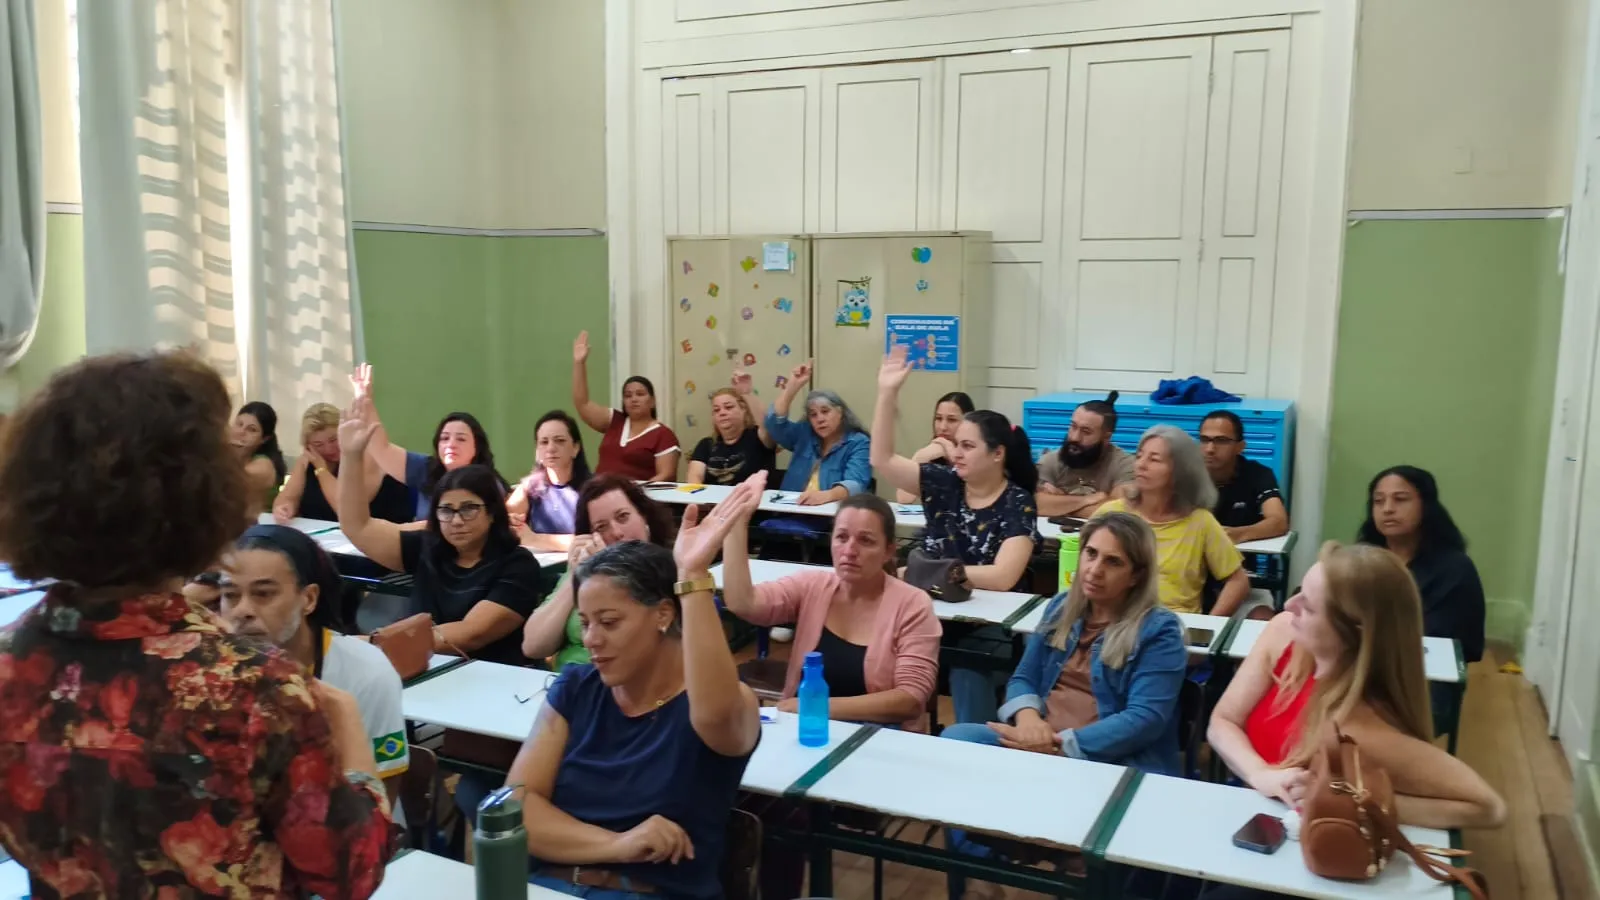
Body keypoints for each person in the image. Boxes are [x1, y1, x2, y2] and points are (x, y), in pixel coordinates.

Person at [0, 351, 392, 898]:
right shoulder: (253, 688)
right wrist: (350, 735)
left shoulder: (11, 665)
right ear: (201, 497)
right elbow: (351, 871)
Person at [505, 480, 763, 899]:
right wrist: (619, 845)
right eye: (585, 623)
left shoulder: (710, 705)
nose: (591, 639)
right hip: (549, 886)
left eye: (609, 622)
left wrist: (692, 576)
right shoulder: (577, 688)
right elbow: (515, 806)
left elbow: (716, 713)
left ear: (663, 614)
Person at [1206, 542, 1504, 831]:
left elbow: (1488, 808)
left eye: (1308, 607)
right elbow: (1223, 721)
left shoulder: (1364, 727)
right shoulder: (1284, 631)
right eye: (1299, 593)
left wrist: (1360, 801)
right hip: (1251, 818)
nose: (1288, 605)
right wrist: (1261, 774)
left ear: (1352, 632)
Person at [871, 345, 1041, 725]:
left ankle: (973, 746)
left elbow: (1002, 576)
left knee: (967, 669)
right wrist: (886, 394)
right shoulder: (943, 482)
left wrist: (924, 573)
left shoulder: (1017, 502)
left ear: (997, 454)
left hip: (985, 628)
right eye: (956, 445)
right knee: (880, 653)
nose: (956, 453)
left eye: (967, 446)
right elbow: (881, 459)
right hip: (926, 611)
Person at [942, 513, 1187, 774]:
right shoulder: (1061, 606)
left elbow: (1144, 719)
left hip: (1107, 756)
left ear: (1136, 576)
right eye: (1091, 553)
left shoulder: (1160, 630)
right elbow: (1024, 677)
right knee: (956, 738)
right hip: (1039, 741)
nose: (1095, 570)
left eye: (1113, 562)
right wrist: (1028, 721)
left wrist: (1060, 746)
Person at [338, 398, 543, 666]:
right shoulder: (428, 547)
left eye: (468, 509)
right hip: (422, 669)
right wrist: (351, 456)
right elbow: (358, 527)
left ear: (493, 512)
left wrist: (375, 643)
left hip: (490, 680)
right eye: (446, 510)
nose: (456, 520)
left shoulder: (518, 566)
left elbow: (469, 634)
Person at [720, 491, 943, 732]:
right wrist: (736, 525)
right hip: (808, 731)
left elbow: (909, 699)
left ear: (889, 551)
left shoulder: (912, 605)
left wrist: (817, 707)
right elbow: (744, 603)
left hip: (878, 737)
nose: (850, 550)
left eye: (866, 541)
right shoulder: (812, 586)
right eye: (841, 537)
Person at [221, 524, 410, 807]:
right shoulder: (208, 671)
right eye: (230, 595)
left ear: (308, 599)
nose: (242, 611)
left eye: (263, 594)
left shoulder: (367, 674)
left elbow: (382, 800)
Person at [1358, 466, 1486, 722]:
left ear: (1426, 506)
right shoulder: (1363, 559)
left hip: (1422, 678)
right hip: (1360, 667)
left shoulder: (1454, 568)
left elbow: (1442, 644)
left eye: (1400, 499)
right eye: (1379, 501)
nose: (1387, 509)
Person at [522, 474, 679, 671]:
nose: (617, 532)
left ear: (643, 516)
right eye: (601, 527)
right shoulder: (584, 569)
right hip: (568, 680)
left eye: (623, 517)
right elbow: (533, 646)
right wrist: (576, 576)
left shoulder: (672, 569)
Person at [1096, 425, 1250, 616]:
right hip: (1116, 620)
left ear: (1179, 471)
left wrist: (1209, 624)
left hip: (1175, 624)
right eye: (1139, 456)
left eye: (1154, 459)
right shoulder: (1111, 514)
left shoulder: (1200, 522)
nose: (1141, 465)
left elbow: (1238, 581)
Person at [349, 363, 505, 523]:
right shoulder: (426, 468)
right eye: (444, 438)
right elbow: (381, 449)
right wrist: (364, 399)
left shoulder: (489, 483)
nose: (451, 444)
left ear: (477, 447)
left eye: (461, 439)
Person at [274, 402, 412, 525]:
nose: (329, 449)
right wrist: (285, 508)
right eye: (318, 444)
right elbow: (287, 498)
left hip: (382, 535)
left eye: (334, 440)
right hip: (327, 538)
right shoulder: (307, 460)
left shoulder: (368, 454)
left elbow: (345, 508)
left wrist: (321, 469)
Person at [571, 331, 681, 482]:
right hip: (599, 491)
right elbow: (582, 404)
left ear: (653, 401)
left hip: (636, 495)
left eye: (640, 394)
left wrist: (634, 491)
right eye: (628, 395)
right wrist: (579, 363)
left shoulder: (664, 435)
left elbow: (666, 475)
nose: (633, 399)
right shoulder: (614, 421)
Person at [764, 358, 872, 504]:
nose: (819, 419)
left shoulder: (858, 442)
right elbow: (774, 425)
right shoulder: (804, 433)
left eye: (825, 411)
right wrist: (792, 387)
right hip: (790, 510)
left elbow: (856, 483)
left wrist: (827, 495)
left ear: (840, 413)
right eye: (813, 415)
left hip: (829, 513)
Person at [1035, 393, 1133, 519]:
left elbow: (1120, 512)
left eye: (1086, 432)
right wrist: (1087, 500)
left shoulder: (1124, 465)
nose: (1075, 437)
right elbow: (1035, 504)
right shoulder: (1050, 461)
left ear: (1106, 437)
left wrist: (1059, 504)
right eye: (1073, 427)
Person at [507, 410, 593, 552]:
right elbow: (500, 522)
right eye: (544, 442)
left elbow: (593, 541)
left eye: (560, 441)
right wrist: (511, 523)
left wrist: (534, 539)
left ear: (575, 448)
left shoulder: (595, 489)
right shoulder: (529, 487)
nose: (551, 448)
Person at [1201, 410, 1289, 543]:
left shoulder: (1257, 474)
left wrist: (1238, 534)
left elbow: (1279, 521)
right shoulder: (1186, 474)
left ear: (1240, 447)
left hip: (1238, 553)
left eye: (1221, 441)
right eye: (1204, 440)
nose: (1210, 449)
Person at [685, 370, 776, 487]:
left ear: (743, 410)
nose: (722, 413)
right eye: (716, 410)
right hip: (712, 499)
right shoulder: (706, 444)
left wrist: (746, 393)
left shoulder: (758, 437)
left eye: (728, 407)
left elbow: (767, 425)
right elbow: (694, 476)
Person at [896, 391, 976, 503]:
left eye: (952, 420)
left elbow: (975, 496)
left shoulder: (978, 453)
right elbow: (904, 499)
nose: (943, 427)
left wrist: (953, 456)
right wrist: (920, 458)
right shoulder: (934, 453)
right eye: (938, 418)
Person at [235, 400, 288, 519]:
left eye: (251, 430)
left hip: (263, 525)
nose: (241, 432)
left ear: (264, 439)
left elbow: (229, 480)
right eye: (239, 424)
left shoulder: (264, 464)